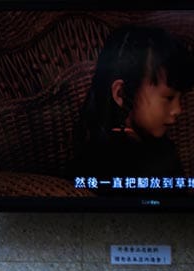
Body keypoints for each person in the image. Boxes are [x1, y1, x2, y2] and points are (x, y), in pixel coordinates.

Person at [72, 24, 194, 186]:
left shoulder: (165, 150)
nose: (178, 110)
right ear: (121, 93)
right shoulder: (98, 161)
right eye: (168, 97)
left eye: (181, 98)